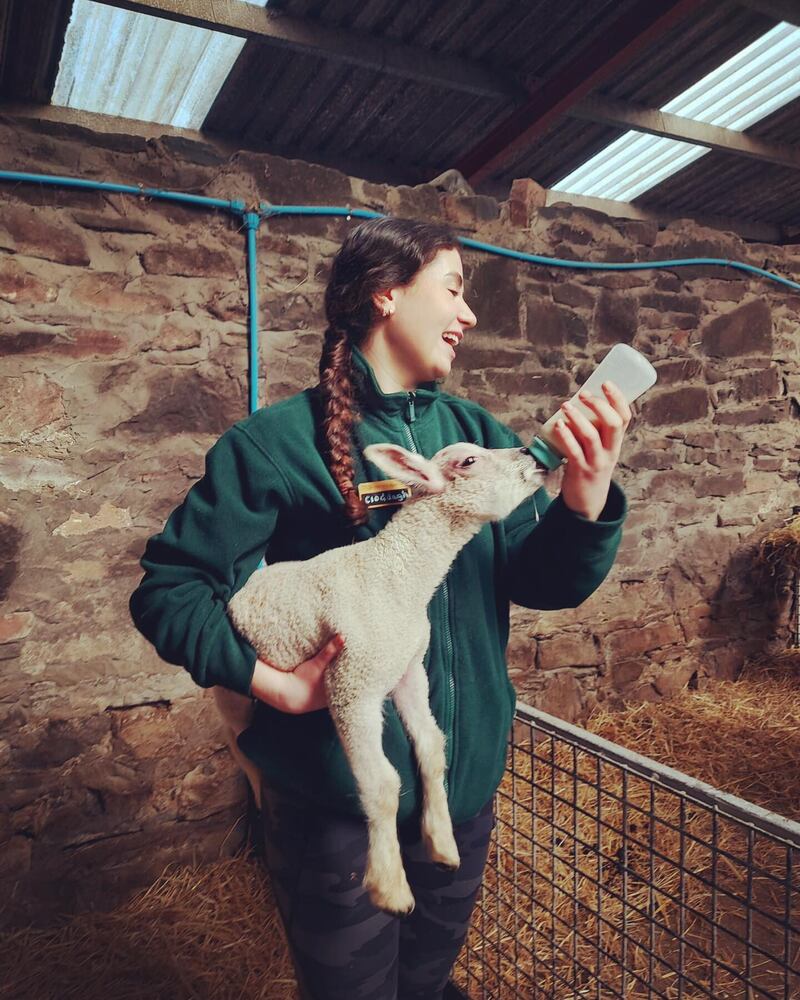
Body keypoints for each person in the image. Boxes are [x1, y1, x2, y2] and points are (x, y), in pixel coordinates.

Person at [129, 216, 631, 1000]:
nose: (469, 315)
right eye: (455, 289)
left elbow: (545, 583)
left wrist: (586, 497)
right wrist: (274, 685)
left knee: (426, 986)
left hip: (457, 798)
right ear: (386, 294)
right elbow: (170, 588)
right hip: (336, 812)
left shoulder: (474, 435)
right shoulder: (274, 445)